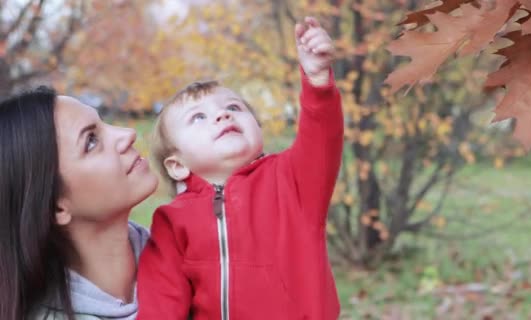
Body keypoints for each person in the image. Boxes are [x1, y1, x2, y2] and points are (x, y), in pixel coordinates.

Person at [137, 16, 343, 319]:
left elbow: (322, 136)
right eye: (198, 117)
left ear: (258, 130)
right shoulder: (172, 222)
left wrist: (317, 82)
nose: (222, 116)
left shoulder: (291, 180)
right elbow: (162, 302)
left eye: (233, 107)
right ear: (177, 165)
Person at [0, 86, 159, 320]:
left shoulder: (194, 258)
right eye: (91, 141)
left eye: (103, 123)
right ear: (56, 207)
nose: (127, 134)